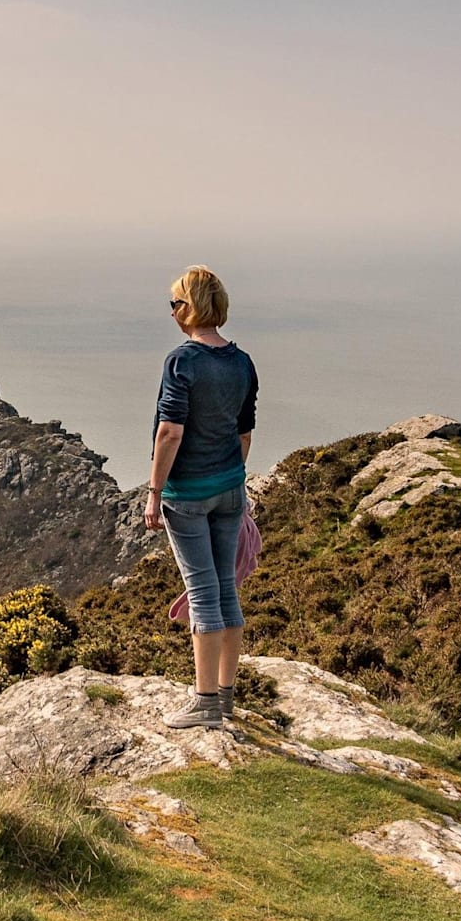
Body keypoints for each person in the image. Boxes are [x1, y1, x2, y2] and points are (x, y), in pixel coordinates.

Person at [146, 265, 258, 729]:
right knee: (225, 589)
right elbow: (244, 431)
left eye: (175, 303)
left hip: (187, 495)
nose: (171, 311)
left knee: (203, 594)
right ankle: (226, 695)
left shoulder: (183, 361)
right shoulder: (242, 361)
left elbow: (170, 431)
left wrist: (155, 493)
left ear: (189, 309)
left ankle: (205, 703)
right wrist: (232, 478)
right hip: (230, 489)